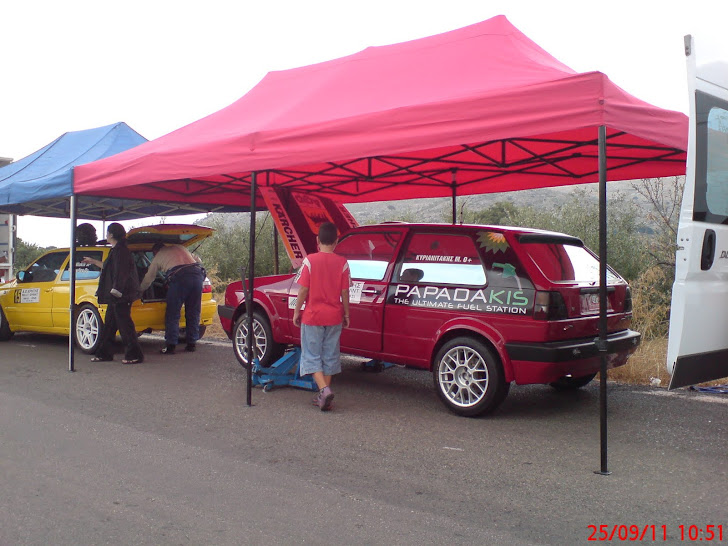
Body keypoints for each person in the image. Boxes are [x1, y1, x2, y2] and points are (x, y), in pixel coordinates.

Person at [293, 222, 351, 411]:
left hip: (313, 316)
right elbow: (345, 293)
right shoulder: (343, 263)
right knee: (330, 356)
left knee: (311, 355)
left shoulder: (310, 260)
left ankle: (324, 390)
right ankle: (324, 395)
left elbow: (303, 290)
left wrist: (297, 310)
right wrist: (347, 313)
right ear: (336, 241)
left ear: (317, 240)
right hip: (334, 317)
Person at [83, 223, 144, 364]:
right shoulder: (115, 250)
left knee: (125, 325)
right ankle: (105, 353)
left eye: (107, 233)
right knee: (110, 325)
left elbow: (121, 273)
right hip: (117, 295)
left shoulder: (121, 251)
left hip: (121, 295)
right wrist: (92, 261)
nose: (106, 235)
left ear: (111, 235)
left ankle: (135, 355)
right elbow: (108, 267)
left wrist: (116, 291)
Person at [139, 242, 205, 354]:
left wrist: (140, 290)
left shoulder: (159, 256)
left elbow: (149, 278)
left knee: (173, 313)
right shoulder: (180, 247)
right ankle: (191, 344)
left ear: (155, 252)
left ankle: (171, 346)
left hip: (180, 278)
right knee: (193, 311)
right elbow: (198, 260)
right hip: (197, 275)